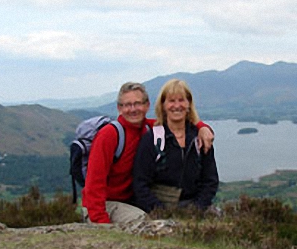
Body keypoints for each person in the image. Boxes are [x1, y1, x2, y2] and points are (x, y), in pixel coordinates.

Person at [82, 82, 214, 224]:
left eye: (138, 103)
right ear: (119, 108)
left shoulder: (148, 128)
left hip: (131, 202)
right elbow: (94, 183)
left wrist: (203, 127)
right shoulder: (109, 135)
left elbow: (177, 121)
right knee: (144, 223)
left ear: (147, 105)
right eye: (127, 105)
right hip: (105, 204)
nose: (133, 109)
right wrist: (102, 224)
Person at [133, 79, 219, 213]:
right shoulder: (153, 139)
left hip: (194, 207)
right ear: (163, 105)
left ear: (189, 104)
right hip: (158, 207)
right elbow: (140, 184)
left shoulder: (200, 138)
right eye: (171, 101)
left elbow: (210, 181)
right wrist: (161, 212)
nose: (177, 105)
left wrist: (196, 210)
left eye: (181, 100)